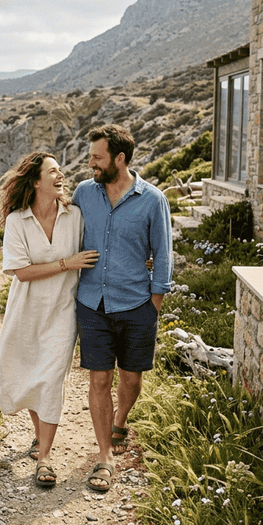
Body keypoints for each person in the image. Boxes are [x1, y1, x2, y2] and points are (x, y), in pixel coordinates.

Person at [72, 124, 172, 493]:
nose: (91, 164)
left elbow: (163, 252)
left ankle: (121, 419)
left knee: (131, 379)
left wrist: (155, 300)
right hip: (91, 303)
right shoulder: (84, 193)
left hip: (136, 304)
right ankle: (104, 457)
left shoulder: (152, 199)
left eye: (97, 158)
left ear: (120, 158)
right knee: (99, 379)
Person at [0, 151, 99, 488]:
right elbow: (22, 272)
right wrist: (67, 264)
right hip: (25, 311)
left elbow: (97, 249)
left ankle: (44, 458)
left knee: (51, 379)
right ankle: (40, 437)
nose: (60, 175)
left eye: (60, 170)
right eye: (52, 171)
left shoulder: (75, 216)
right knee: (29, 375)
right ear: (37, 180)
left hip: (62, 312)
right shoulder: (17, 221)